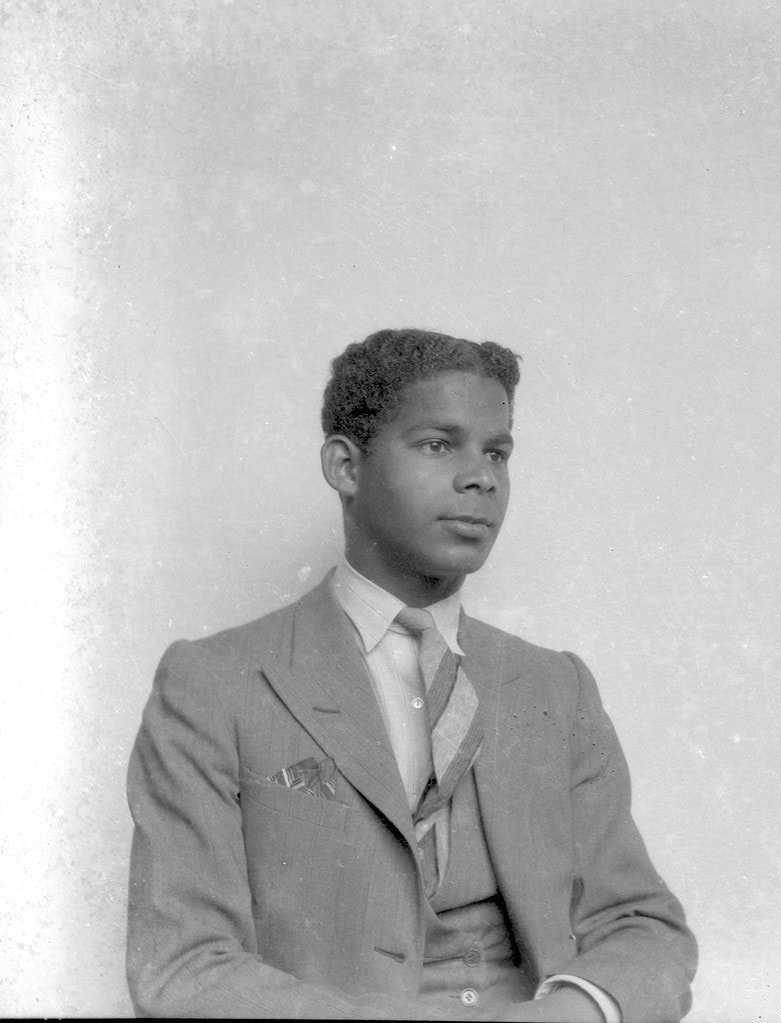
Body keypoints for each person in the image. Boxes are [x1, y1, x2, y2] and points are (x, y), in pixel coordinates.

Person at [126, 328, 697, 1021]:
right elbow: (183, 964)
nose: (480, 476)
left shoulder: (555, 687)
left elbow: (642, 924)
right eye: (437, 444)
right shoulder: (215, 681)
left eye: (498, 452)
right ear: (345, 465)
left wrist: (569, 1011)